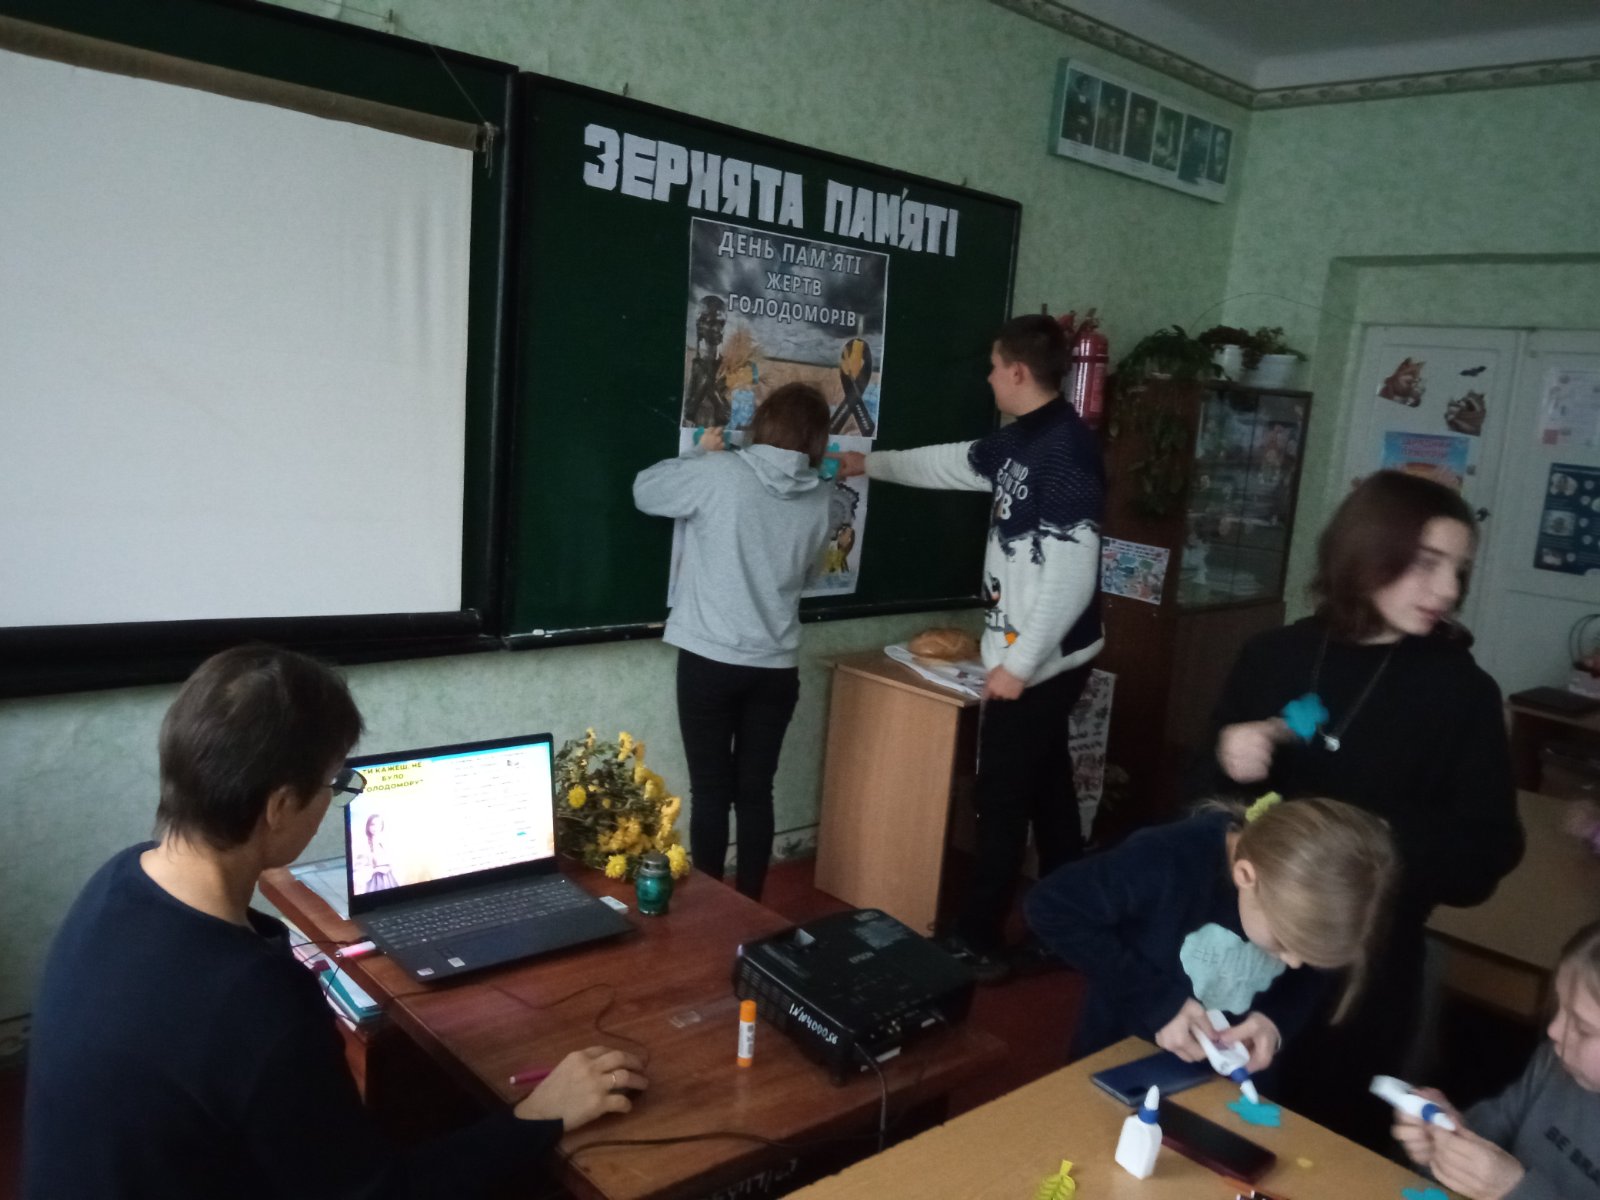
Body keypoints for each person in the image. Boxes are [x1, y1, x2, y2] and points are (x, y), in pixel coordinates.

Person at [22, 645, 647, 1200]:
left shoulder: (120, 878)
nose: (334, 798)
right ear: (279, 806)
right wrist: (539, 1115)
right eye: (334, 781)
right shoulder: (257, 1003)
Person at [1193, 469, 1524, 1147]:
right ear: (1368, 550)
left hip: (1363, 980)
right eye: (1427, 563)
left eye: (1459, 570)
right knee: (1209, 1126)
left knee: (1326, 1147)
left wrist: (1372, 839)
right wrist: (1227, 757)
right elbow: (1194, 813)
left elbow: (1487, 853)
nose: (1448, 590)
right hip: (1241, 952)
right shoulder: (1274, 656)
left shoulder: (1462, 693)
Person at [837, 314, 1104, 980]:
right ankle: (1071, 919)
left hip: (1043, 661)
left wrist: (1019, 666)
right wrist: (868, 464)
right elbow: (951, 463)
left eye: (992, 366)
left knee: (1001, 798)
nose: (987, 378)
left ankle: (978, 938)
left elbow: (1072, 576)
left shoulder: (1067, 451)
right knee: (1047, 789)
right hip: (1031, 655)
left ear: (1018, 371)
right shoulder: (1023, 439)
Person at [633, 382, 833, 901]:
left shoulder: (719, 472)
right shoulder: (823, 497)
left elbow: (645, 491)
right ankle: (751, 907)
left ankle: (711, 909)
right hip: (776, 667)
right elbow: (811, 576)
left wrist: (699, 454)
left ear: (764, 422)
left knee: (711, 793)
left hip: (710, 660)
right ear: (816, 438)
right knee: (755, 793)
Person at [1026, 795, 1397, 1070]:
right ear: (1246, 876)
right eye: (1285, 944)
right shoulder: (1165, 859)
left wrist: (1275, 1020)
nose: (1294, 963)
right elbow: (1050, 907)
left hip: (1222, 1081)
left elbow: (1310, 973)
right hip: (1119, 1058)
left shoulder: (1310, 902)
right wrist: (1158, 1002)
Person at [1392, 918, 1600, 1200]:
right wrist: (1443, 1140)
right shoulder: (1551, 1067)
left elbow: (1503, 1184)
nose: (1553, 1031)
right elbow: (1484, 1139)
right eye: (1559, 1007)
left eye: (1583, 1028)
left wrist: (1514, 1190)